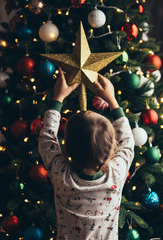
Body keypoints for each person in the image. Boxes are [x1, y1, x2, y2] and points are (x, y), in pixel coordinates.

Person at [38, 67, 135, 240]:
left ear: (67, 148)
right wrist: (112, 100)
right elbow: (127, 142)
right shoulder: (116, 173)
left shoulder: (62, 176)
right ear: (111, 149)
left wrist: (58, 97)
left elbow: (46, 140)